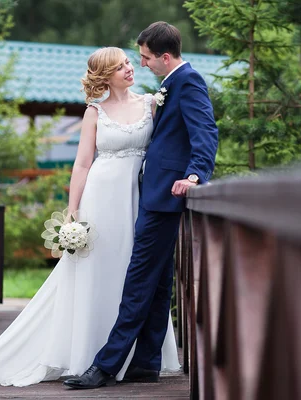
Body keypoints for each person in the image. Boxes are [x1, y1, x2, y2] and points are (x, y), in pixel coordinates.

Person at [0, 46, 181, 389]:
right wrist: (73, 213)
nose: (129, 68)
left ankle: (135, 356)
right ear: (105, 75)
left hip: (139, 197)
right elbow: (82, 164)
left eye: (128, 63)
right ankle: (91, 353)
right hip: (101, 197)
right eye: (120, 65)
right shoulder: (94, 112)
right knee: (98, 269)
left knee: (133, 270)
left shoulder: (151, 103)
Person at [63, 21, 219, 390]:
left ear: (164, 57)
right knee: (159, 280)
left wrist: (196, 175)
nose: (142, 64)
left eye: (146, 58)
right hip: (150, 194)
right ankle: (146, 362)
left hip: (165, 194)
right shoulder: (169, 85)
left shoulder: (187, 81)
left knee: (137, 281)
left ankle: (105, 364)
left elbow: (206, 132)